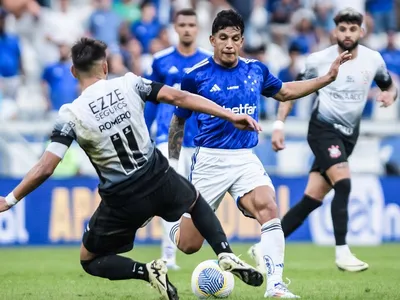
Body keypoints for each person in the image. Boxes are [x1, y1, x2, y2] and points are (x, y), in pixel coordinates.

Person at [0, 37, 265, 300]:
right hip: (157, 176)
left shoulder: (71, 114)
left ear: (73, 72)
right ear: (104, 67)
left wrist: (11, 199)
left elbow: (46, 167)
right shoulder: (130, 83)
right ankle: (224, 252)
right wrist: (230, 115)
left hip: (122, 198)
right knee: (195, 201)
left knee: (90, 259)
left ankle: (147, 271)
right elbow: (179, 97)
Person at [167, 9, 351, 298]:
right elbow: (178, 120)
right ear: (213, 40)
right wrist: (173, 163)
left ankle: (275, 285)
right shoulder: (195, 76)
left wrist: (327, 78)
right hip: (209, 162)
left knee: (268, 205)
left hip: (244, 158)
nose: (229, 44)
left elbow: (286, 92)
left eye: (236, 38)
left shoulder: (256, 70)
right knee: (188, 245)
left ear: (242, 41)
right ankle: (172, 225)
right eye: (224, 38)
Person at [257, 7, 397, 273]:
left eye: (352, 29)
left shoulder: (373, 60)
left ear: (361, 31)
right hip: (322, 130)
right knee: (343, 184)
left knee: (312, 199)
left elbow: (389, 86)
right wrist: (278, 126)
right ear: (335, 31)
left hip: (348, 138)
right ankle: (342, 253)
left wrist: (391, 96)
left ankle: (264, 249)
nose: (346, 33)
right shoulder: (318, 60)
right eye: (342, 28)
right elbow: (289, 93)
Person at [144, 8, 211, 270]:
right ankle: (168, 254)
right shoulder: (160, 61)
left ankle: (196, 244)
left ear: (197, 28)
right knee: (171, 195)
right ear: (175, 27)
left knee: (198, 197)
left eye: (191, 25)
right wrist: (144, 131)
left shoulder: (207, 61)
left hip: (199, 140)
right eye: (182, 24)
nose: (186, 29)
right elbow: (150, 99)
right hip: (167, 136)